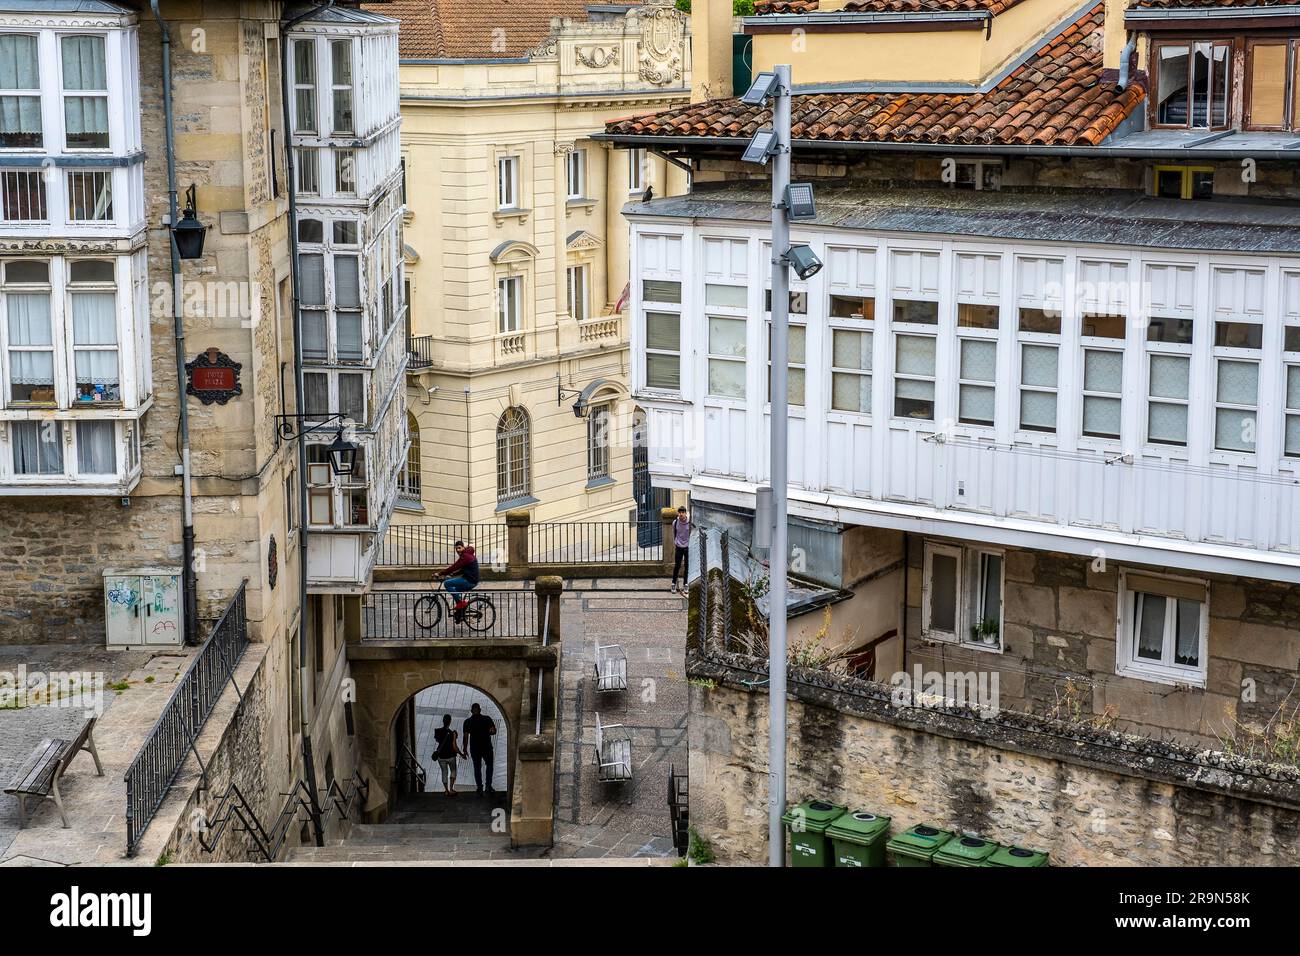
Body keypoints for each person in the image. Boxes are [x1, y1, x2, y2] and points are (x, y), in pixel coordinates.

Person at [434, 540, 480, 621]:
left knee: (447, 584)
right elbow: (462, 569)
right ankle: (461, 612)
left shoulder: (465, 556)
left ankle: (462, 605)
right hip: (471, 579)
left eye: (459, 548)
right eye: (456, 548)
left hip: (469, 581)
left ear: (463, 547)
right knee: (455, 590)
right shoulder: (467, 554)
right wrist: (452, 575)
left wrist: (440, 573)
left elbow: (454, 567)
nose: (458, 550)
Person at [462, 702, 498, 795]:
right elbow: (493, 731)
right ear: (480, 710)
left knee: (477, 768)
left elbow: (465, 737)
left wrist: (465, 749)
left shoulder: (467, 722)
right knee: (489, 766)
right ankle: (488, 786)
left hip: (475, 749)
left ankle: (479, 787)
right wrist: (491, 731)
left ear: (471, 711)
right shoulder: (487, 719)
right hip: (487, 747)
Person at [432, 713, 465, 796]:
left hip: (441, 756)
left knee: (444, 772)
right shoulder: (452, 733)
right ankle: (451, 789)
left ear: (443, 721)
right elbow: (454, 746)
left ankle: (446, 791)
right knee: (453, 771)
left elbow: (437, 740)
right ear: (450, 721)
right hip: (451, 756)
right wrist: (461, 754)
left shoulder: (437, 731)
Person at [670, 506, 693, 595]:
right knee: (677, 566)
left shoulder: (690, 523)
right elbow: (674, 533)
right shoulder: (675, 523)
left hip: (687, 547)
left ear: (685, 513)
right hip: (679, 547)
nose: (681, 514)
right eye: (679, 512)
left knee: (687, 567)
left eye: (682, 512)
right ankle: (673, 583)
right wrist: (676, 542)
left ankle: (685, 584)